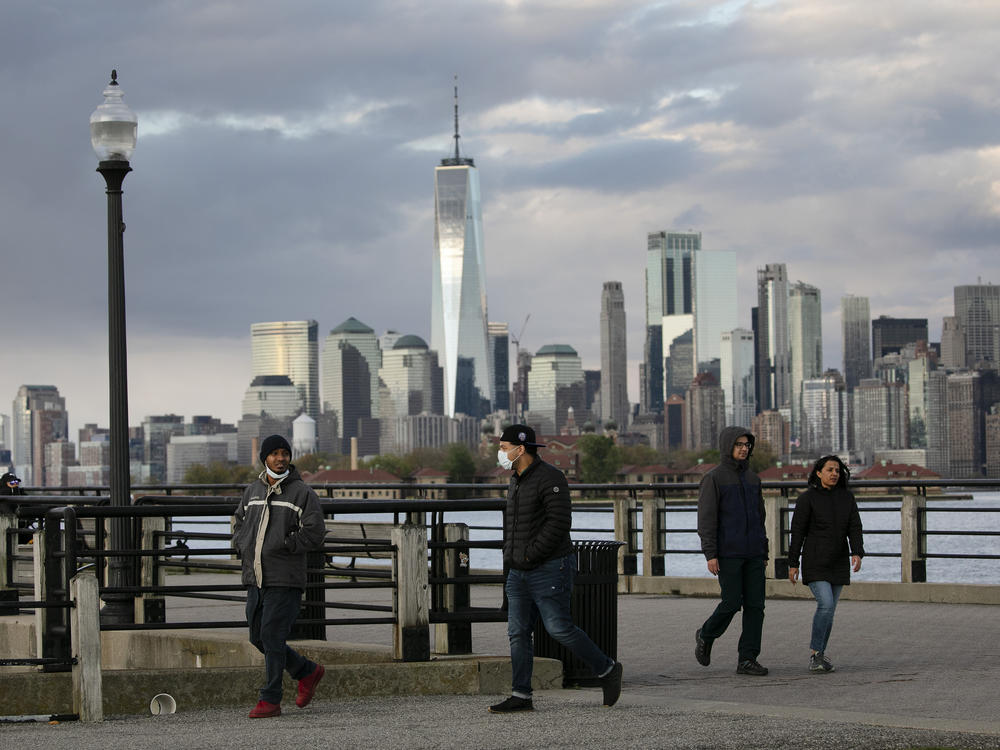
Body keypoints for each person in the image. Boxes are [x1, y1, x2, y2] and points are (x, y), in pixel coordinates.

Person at [488, 424, 623, 714]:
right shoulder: (515, 480)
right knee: (517, 632)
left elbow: (559, 523)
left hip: (549, 567)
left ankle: (607, 669)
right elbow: (514, 527)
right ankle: (521, 695)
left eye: (503, 447)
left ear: (520, 449)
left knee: (558, 628)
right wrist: (512, 559)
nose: (500, 453)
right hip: (517, 571)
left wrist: (529, 556)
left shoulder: (552, 478)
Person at [233, 434, 327, 718]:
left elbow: (315, 532)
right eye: (274, 453)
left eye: (284, 453)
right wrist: (241, 543)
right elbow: (238, 522)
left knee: (272, 635)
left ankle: (270, 699)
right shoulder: (252, 492)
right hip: (256, 577)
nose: (280, 458)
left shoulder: (302, 493)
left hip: (285, 577)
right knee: (257, 637)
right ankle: (306, 671)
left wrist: (286, 545)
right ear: (265, 458)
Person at [694, 426, 769, 676]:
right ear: (728, 446)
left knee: (756, 607)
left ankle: (747, 659)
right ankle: (706, 634)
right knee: (731, 602)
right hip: (728, 553)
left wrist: (763, 549)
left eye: (747, 445)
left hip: (754, 553)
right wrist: (710, 554)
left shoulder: (753, 479)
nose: (744, 449)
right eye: (739, 444)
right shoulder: (713, 478)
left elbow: (761, 517)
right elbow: (706, 520)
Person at [787, 454, 864, 673]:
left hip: (838, 561)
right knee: (826, 605)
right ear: (818, 473)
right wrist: (793, 563)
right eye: (829, 470)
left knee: (830, 610)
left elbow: (854, 527)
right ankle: (815, 654)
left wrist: (857, 552)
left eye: (837, 471)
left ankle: (819, 654)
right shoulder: (807, 499)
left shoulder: (847, 498)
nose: (834, 474)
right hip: (815, 561)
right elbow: (798, 532)